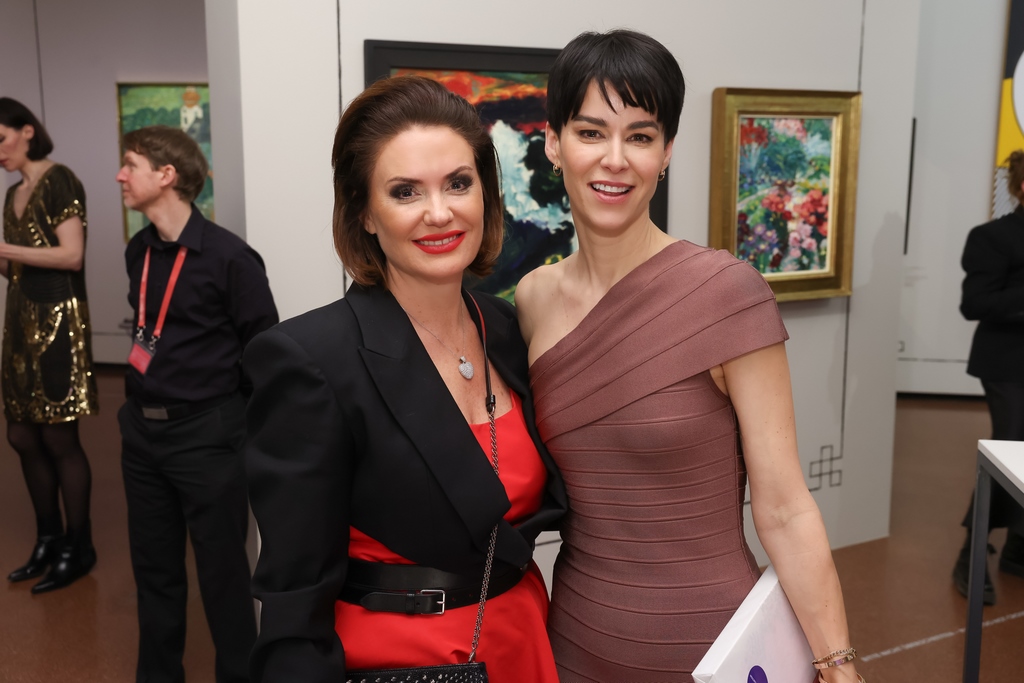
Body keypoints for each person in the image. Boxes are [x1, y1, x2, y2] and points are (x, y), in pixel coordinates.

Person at [515, 30, 861, 683]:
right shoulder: (534, 299)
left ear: (666, 152)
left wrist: (837, 664)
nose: (615, 159)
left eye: (640, 136)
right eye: (590, 132)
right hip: (577, 638)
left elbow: (784, 507)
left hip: (710, 645)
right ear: (554, 143)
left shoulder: (726, 293)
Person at [244, 75, 567, 683]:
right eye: (405, 191)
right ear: (365, 212)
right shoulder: (311, 359)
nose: (439, 212)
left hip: (522, 639)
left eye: (458, 183)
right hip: (401, 660)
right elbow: (293, 600)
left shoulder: (506, 328)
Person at [115, 125, 277, 683]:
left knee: (224, 577)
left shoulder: (230, 258)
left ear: (166, 175)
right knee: (154, 573)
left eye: (130, 164)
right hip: (142, 435)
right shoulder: (139, 251)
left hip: (208, 437)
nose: (120, 175)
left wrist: (235, 427)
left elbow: (264, 351)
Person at [0, 97, 99, 594]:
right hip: (20, 318)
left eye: (1, 139)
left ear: (27, 132)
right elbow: (16, 268)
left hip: (59, 321)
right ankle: (48, 539)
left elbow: (71, 256)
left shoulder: (60, 179)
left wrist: (3, 248)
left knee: (60, 439)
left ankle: (77, 546)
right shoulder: (12, 193)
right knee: (22, 436)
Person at [952, 149, 1024, 605]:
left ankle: (1018, 545)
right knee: (1009, 449)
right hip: (1009, 363)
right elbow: (974, 304)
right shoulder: (992, 237)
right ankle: (971, 554)